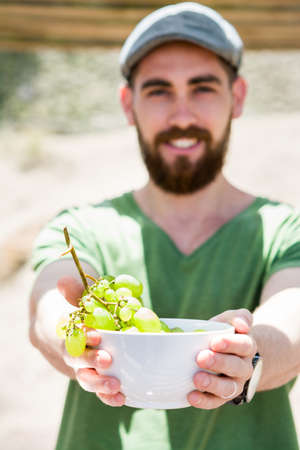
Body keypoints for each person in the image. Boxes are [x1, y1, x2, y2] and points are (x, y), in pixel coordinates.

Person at [29, 2, 300, 449]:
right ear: (127, 104)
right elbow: (48, 303)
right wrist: (74, 343)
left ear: (238, 97)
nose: (181, 117)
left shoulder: (285, 230)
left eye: (202, 89)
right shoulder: (81, 228)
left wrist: (248, 356)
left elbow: (290, 325)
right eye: (158, 91)